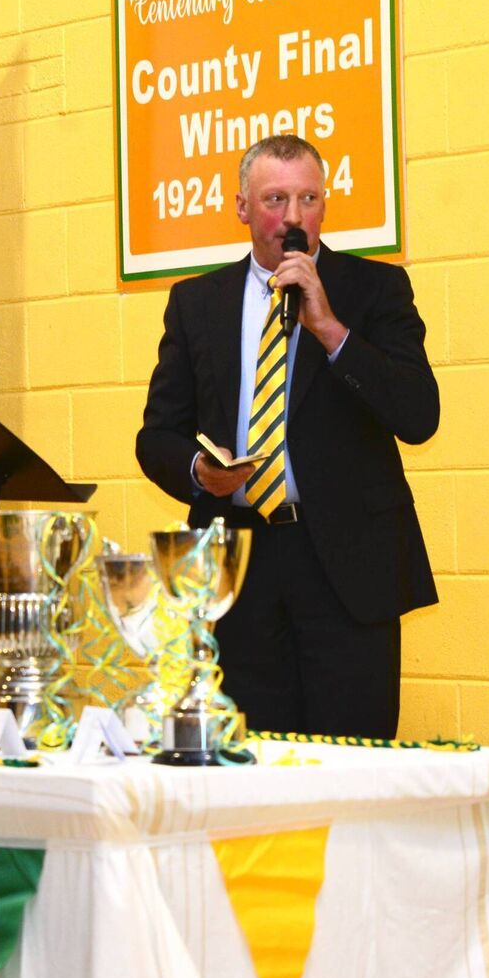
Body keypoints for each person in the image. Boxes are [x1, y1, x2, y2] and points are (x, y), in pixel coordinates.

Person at [136, 134, 439, 740]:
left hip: (347, 569)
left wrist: (329, 328)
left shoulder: (373, 290)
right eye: (276, 199)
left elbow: (419, 415)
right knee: (248, 759)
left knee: (352, 759)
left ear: (325, 206)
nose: (294, 217)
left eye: (309, 199)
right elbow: (158, 435)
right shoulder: (197, 302)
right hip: (239, 565)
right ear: (243, 208)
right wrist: (201, 472)